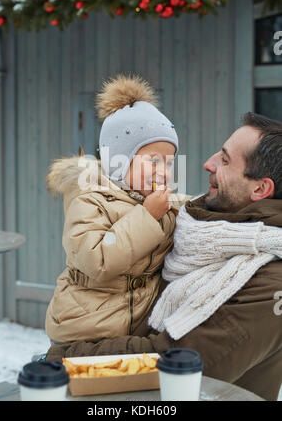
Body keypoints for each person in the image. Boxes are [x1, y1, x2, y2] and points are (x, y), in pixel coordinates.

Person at [46, 112, 282, 401]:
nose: (207, 163)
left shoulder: (270, 280)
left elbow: (174, 362)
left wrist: (67, 359)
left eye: (224, 159)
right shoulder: (208, 229)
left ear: (260, 188)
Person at [45, 74, 190, 344]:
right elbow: (97, 260)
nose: (164, 171)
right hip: (85, 330)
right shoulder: (89, 200)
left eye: (169, 163)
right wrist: (147, 216)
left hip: (134, 328)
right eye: (154, 161)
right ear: (119, 161)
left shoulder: (150, 199)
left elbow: (189, 205)